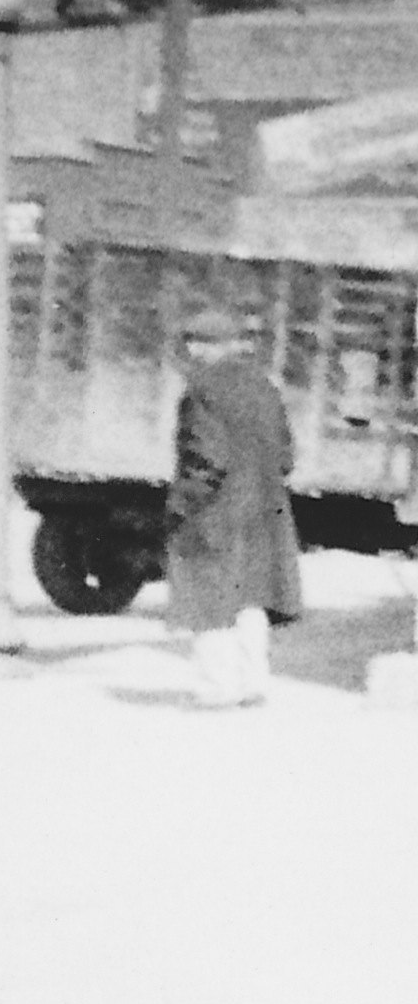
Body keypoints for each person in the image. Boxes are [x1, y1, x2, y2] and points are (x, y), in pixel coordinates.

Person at [165, 295, 301, 706]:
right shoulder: (264, 387)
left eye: (195, 343)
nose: (190, 351)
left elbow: (206, 459)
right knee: (250, 599)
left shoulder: (201, 392)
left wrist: (181, 506)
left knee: (210, 600)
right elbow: (286, 455)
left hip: (215, 513)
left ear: (208, 347)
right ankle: (253, 681)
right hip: (263, 511)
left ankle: (217, 688)